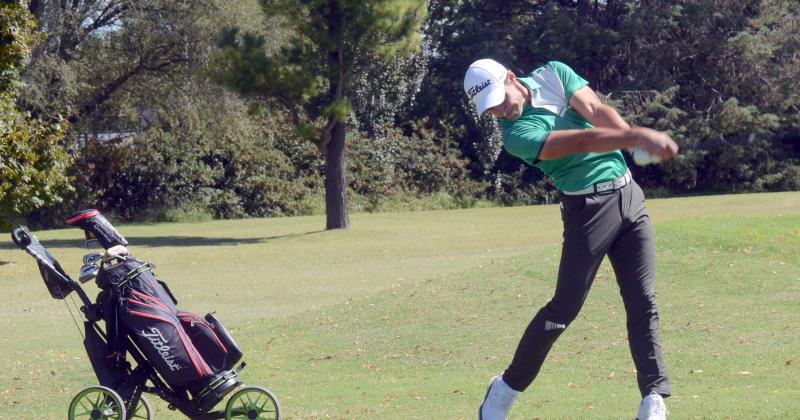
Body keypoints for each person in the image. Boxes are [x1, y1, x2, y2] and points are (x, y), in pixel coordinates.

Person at [464, 58, 678, 420]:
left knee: (643, 301)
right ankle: (505, 388)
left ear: (512, 79)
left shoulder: (554, 74)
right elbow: (582, 140)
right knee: (563, 310)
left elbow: (595, 110)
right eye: (491, 109)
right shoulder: (516, 137)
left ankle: (654, 398)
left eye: (500, 98)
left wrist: (631, 141)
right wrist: (637, 136)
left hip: (629, 197)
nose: (500, 110)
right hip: (587, 211)